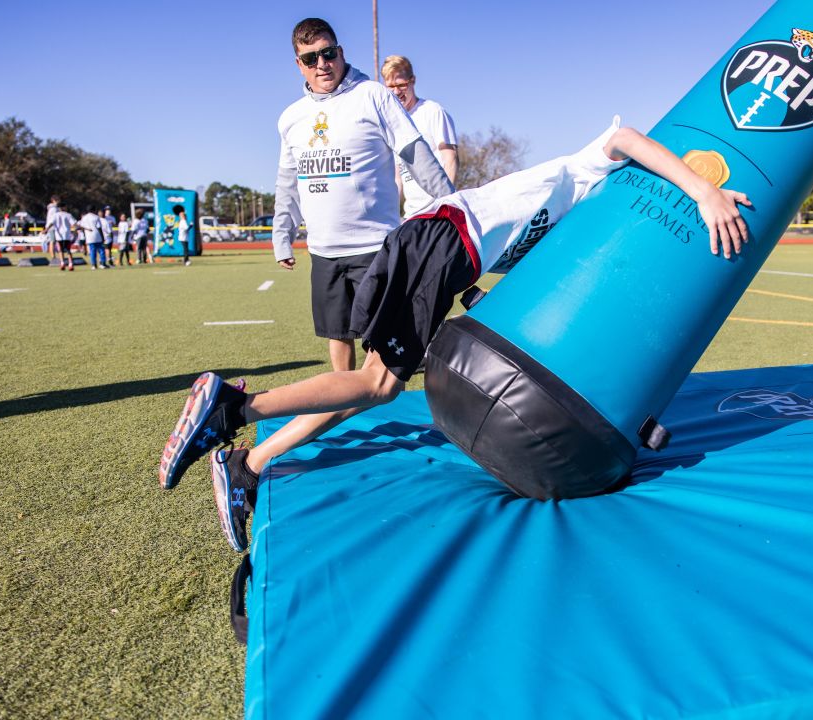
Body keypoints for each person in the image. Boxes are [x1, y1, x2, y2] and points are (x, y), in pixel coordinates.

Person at [159, 116, 752, 552]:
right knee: (375, 385)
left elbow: (493, 260)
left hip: (446, 258)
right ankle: (232, 408)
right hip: (440, 244)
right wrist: (704, 192)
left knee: (371, 384)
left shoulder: (571, 227)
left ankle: (249, 464)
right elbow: (625, 137)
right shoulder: (594, 172)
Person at [272, 17, 455, 373]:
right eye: (311, 59)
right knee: (337, 335)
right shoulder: (290, 118)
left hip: (374, 246)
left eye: (328, 53)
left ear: (340, 52)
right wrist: (283, 235)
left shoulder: (373, 95)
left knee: (386, 345)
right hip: (324, 249)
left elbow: (416, 153)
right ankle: (346, 409)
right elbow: (287, 183)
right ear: (299, 65)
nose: (322, 64)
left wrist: (454, 205)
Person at [381, 55, 459, 217]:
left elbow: (450, 160)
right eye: (390, 86)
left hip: (438, 212)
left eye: (401, 85)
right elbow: (398, 178)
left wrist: (446, 206)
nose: (396, 92)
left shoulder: (432, 111)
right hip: (412, 216)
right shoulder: (392, 122)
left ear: (413, 80)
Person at [47, 204, 78, 271]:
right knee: (68, 250)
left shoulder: (55, 215)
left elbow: (51, 223)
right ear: (64, 207)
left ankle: (62, 263)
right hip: (67, 235)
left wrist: (46, 229)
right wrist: (77, 229)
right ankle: (70, 264)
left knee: (60, 250)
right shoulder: (68, 215)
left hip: (59, 235)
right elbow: (74, 224)